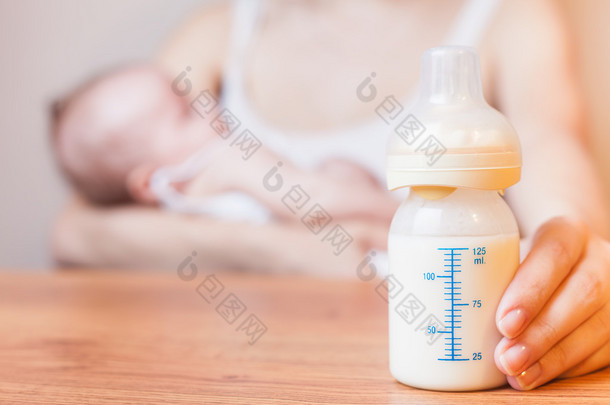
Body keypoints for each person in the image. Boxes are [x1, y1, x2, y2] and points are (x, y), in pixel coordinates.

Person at [51, 0, 610, 390]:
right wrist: (299, 255)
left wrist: (578, 263)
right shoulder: (220, 30)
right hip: (237, 366)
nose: (202, 114)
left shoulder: (510, 16)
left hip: (423, 349)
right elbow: (80, 230)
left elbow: (558, 177)